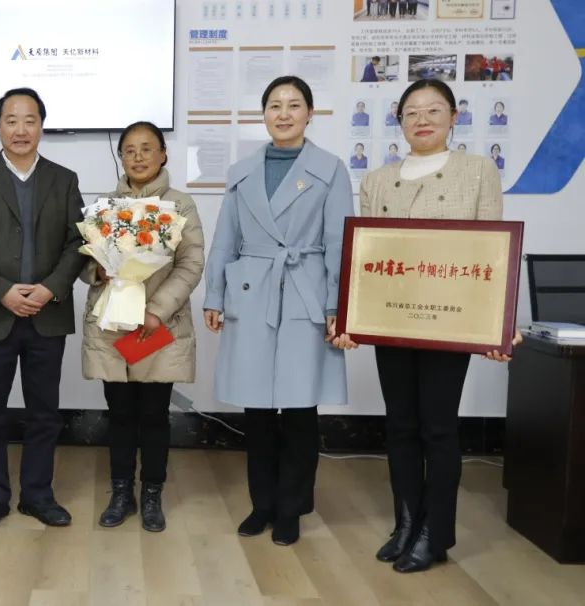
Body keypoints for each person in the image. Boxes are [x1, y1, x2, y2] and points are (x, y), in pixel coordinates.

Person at [335, 79, 522, 573]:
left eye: (433, 110)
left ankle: (433, 534)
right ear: (399, 121)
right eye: (411, 112)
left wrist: (498, 325)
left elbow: (493, 254)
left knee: (438, 428)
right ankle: (404, 523)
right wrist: (352, 318)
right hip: (392, 319)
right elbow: (368, 259)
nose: (422, 120)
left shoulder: (478, 171)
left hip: (449, 322)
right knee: (399, 425)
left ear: (453, 117)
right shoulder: (377, 180)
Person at [204, 76, 352, 546]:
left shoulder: (330, 169)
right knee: (258, 410)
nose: (283, 113)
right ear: (264, 113)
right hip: (252, 292)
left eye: (294, 105)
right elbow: (225, 238)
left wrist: (337, 305)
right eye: (274, 105)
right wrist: (214, 294)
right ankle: (261, 504)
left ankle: (291, 508)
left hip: (306, 293)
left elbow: (339, 242)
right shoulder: (241, 171)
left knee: (301, 407)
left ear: (310, 113)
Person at [0, 87, 85, 532]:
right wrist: (2, 290)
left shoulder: (64, 179)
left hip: (48, 315)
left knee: (44, 413)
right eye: (11, 120)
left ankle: (38, 495)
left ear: (42, 126)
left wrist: (51, 288)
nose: (21, 129)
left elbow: (77, 242)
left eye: (30, 120)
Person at [82, 121, 205, 532]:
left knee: (153, 415)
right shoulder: (104, 207)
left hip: (158, 327)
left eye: (146, 148)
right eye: (130, 150)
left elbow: (191, 263)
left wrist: (157, 310)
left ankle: (152, 492)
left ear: (163, 154)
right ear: (121, 157)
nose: (138, 157)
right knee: (118, 414)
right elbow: (85, 263)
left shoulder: (180, 205)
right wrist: (97, 270)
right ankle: (121, 492)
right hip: (113, 326)